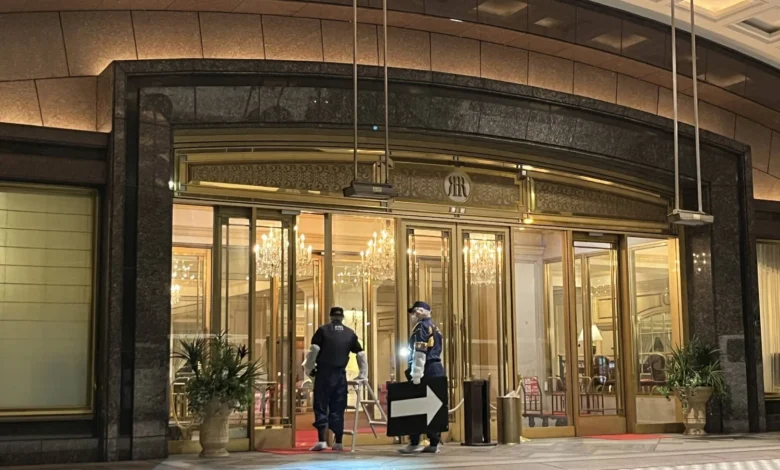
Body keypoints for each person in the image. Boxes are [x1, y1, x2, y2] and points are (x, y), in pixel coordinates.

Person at [302, 306, 367, 451]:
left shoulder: (323, 330)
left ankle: (322, 440)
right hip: (340, 375)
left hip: (324, 374)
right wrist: (363, 374)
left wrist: (309, 368)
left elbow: (314, 350)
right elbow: (361, 354)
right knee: (338, 407)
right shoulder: (350, 333)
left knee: (321, 405)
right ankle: (338, 441)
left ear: (330, 317)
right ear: (342, 317)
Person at [398, 300, 445, 455]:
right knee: (433, 407)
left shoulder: (421, 327)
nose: (413, 315)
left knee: (416, 405)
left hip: (426, 368)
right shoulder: (435, 327)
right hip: (436, 368)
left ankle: (414, 441)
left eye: (414, 311)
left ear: (420, 311)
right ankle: (434, 442)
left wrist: (416, 374)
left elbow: (420, 351)